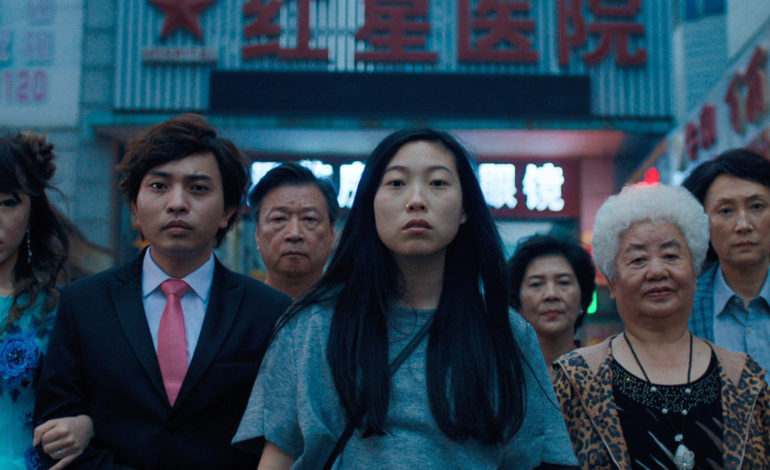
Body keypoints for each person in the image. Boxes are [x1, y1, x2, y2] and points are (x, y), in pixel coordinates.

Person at [233, 128, 578, 469]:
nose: (416, 200)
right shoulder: (309, 328)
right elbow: (280, 456)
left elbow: (529, 460)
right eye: (396, 183)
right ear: (370, 204)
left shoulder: (508, 333)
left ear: (465, 210)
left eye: (438, 183)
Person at [34, 114, 291, 469]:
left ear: (227, 212)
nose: (177, 203)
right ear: (134, 207)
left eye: (198, 188)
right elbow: (56, 425)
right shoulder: (84, 303)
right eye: (159, 186)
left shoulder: (268, 310)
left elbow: (279, 431)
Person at [552, 183, 770, 469]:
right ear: (613, 282)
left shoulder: (744, 377)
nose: (656, 271)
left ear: (694, 273)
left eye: (671, 256)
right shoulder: (574, 379)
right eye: (638, 259)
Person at [0, 133, 93, 469]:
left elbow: (106, 398)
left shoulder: (62, 307)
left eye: (8, 203)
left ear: (32, 211)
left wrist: (85, 425)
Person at [682, 149, 770, 379]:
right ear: (702, 223)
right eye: (726, 210)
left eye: (757, 206)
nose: (743, 225)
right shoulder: (684, 310)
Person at [248, 162, 338, 299]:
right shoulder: (236, 308)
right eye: (279, 219)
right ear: (258, 235)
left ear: (331, 235)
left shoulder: (355, 309)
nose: (294, 234)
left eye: (309, 219)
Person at [507, 234, 596, 366]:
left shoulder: (602, 372)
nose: (551, 294)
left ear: (583, 297)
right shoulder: (500, 373)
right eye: (536, 284)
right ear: (517, 300)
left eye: (564, 282)